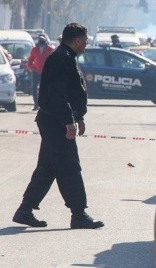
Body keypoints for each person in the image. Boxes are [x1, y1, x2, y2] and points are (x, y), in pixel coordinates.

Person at [12, 23, 104, 229]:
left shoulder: (67, 57)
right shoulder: (61, 58)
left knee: (48, 167)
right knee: (69, 165)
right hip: (55, 121)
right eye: (85, 41)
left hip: (57, 119)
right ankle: (79, 214)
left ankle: (25, 210)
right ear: (77, 40)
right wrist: (68, 121)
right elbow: (57, 95)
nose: (86, 44)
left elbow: (72, 92)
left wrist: (78, 117)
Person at [26, 34, 56, 111]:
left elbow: (54, 60)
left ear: (46, 40)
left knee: (46, 88)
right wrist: (30, 67)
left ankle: (46, 104)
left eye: (43, 39)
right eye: (40, 39)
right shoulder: (34, 49)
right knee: (34, 88)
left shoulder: (50, 49)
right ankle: (36, 104)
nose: (41, 41)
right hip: (36, 71)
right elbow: (30, 59)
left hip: (46, 72)